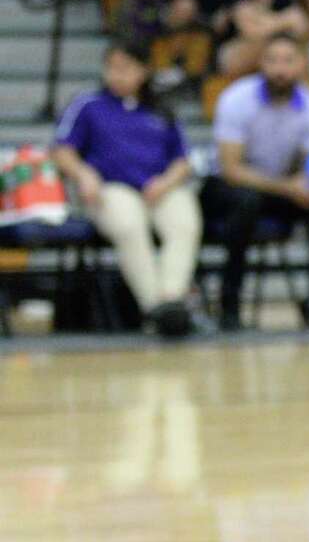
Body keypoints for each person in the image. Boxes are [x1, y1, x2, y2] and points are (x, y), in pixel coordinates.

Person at [52, 42, 201, 337]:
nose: (118, 76)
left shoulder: (162, 109)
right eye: (112, 68)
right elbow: (62, 151)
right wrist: (84, 174)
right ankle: (155, 309)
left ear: (144, 71)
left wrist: (167, 182)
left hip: (158, 187)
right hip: (110, 188)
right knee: (130, 224)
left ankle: (172, 300)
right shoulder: (88, 105)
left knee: (185, 223)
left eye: (126, 68)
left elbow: (183, 160)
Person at [202, 31, 309, 330]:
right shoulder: (237, 99)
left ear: (302, 64)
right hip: (228, 189)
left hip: (278, 189)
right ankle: (230, 301)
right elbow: (231, 169)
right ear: (260, 63)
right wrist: (288, 187)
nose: (280, 69)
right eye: (272, 60)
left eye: (288, 61)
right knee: (245, 202)